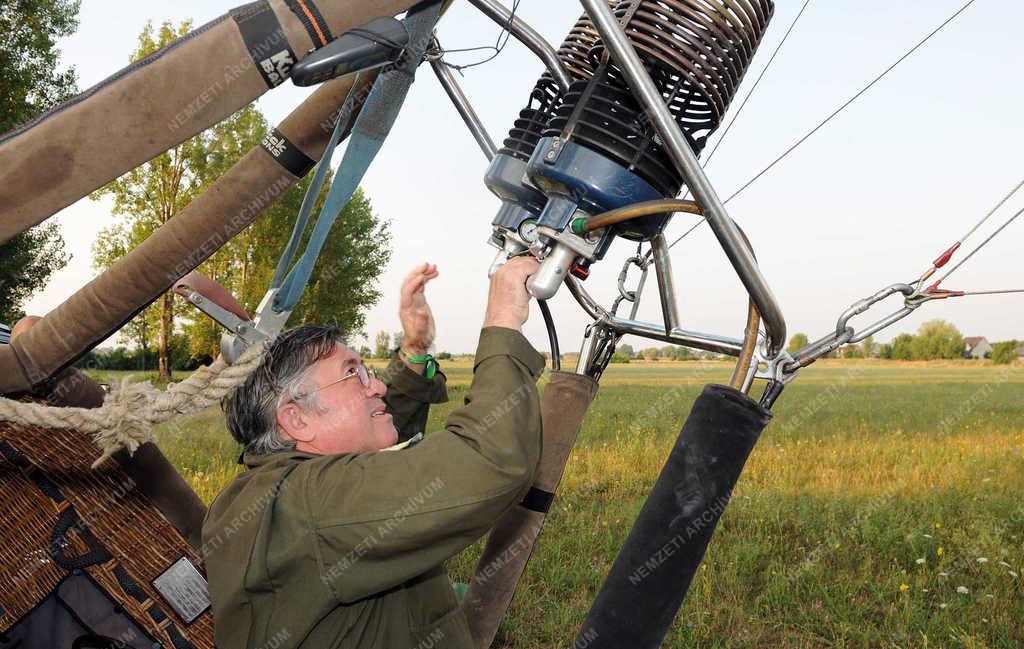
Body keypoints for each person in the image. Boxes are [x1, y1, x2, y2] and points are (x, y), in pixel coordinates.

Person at [203, 257, 545, 649]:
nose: (378, 387)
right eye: (353, 373)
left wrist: (415, 351)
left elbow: (357, 431)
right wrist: (503, 319)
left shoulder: (284, 484)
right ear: (296, 420)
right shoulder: (317, 503)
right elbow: (489, 459)